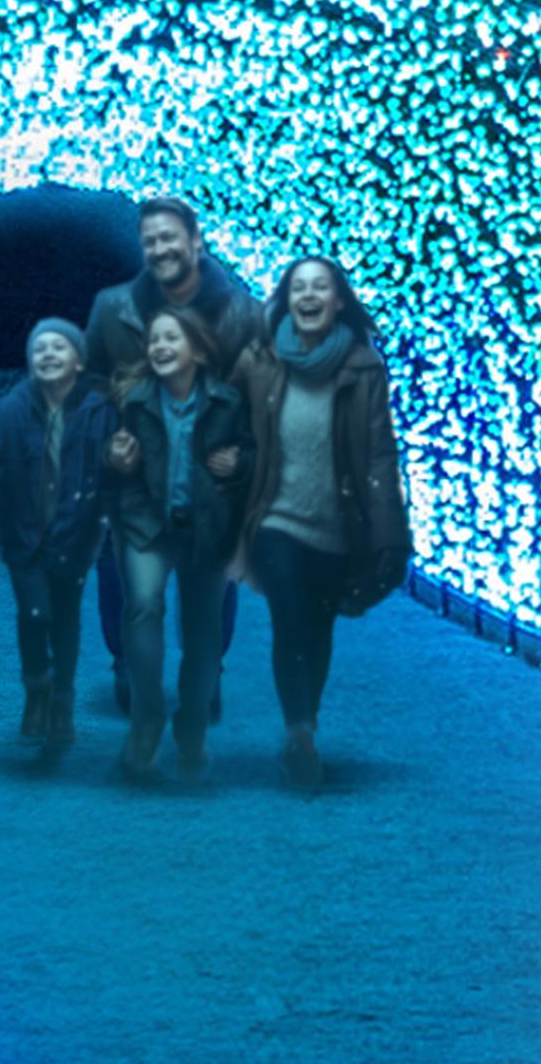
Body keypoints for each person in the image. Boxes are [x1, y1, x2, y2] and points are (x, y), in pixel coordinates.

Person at [237, 254, 410, 780]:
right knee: (290, 616)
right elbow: (229, 426)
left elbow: (378, 453)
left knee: (318, 623)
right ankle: (299, 732)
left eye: (320, 287)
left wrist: (390, 532)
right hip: (276, 518)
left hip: (337, 522)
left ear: (338, 301)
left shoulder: (363, 368)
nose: (309, 296)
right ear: (286, 300)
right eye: (299, 287)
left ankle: (305, 722)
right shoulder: (259, 362)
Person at [95, 300, 249, 781]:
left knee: (203, 622)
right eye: (154, 340)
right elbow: (106, 458)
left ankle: (193, 723)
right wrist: (116, 460)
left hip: (206, 523)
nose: (160, 347)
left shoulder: (228, 403)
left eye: (171, 338)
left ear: (197, 350)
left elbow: (259, 455)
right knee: (143, 604)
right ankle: (146, 718)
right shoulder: (132, 400)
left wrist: (240, 464)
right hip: (146, 523)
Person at [0, 318, 109, 767]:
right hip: (24, 538)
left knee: (65, 618)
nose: (48, 354)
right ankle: (37, 689)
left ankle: (62, 704)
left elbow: (115, 462)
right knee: (35, 614)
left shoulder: (98, 409)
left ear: (79, 360)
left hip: (74, 537)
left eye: (59, 347)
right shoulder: (14, 408)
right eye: (39, 348)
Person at [77, 193, 262, 389]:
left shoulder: (249, 316)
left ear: (196, 239)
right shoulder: (110, 309)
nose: (159, 251)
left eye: (168, 238)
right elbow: (87, 386)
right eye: (150, 242)